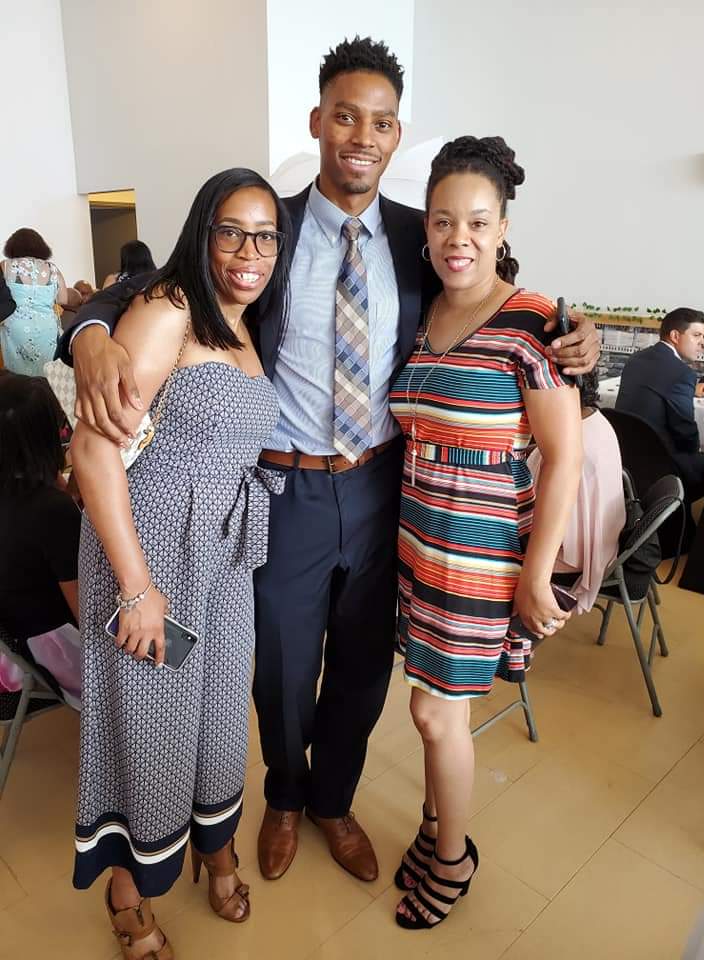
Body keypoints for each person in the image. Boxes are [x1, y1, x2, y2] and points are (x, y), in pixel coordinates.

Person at [60, 37, 600, 885]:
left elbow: (501, 293)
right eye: (345, 115)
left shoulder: (419, 237)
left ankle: (333, 801)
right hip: (284, 487)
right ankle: (282, 796)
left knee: (358, 662)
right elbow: (154, 284)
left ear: (395, 135)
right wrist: (88, 330)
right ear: (318, 121)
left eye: (381, 122)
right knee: (278, 662)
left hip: (387, 485)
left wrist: (578, 338)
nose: (362, 135)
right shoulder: (263, 232)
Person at [70, 168, 291, 959]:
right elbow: (94, 451)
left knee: (223, 721)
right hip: (152, 551)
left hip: (224, 560)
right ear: (202, 232)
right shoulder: (168, 311)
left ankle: (215, 851)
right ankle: (128, 897)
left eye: (266, 235)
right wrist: (136, 590)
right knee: (153, 730)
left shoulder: (245, 323)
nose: (248, 250)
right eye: (230, 230)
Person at [388, 135, 583, 929]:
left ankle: (453, 859)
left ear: (502, 226)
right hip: (419, 542)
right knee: (424, 708)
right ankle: (438, 819)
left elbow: (565, 456)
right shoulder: (424, 307)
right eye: (442, 222)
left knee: (440, 715)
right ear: (426, 228)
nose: (456, 238)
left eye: (476, 222)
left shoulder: (535, 321)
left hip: (484, 554)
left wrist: (536, 578)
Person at [0, 372, 81, 692]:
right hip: (60, 653)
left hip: (21, 638)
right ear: (49, 434)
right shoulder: (52, 512)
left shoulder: (24, 492)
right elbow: (87, 614)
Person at [528, 367, 626, 611]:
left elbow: (549, 528)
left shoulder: (567, 448)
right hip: (601, 544)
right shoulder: (595, 420)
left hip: (573, 558)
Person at [616, 308, 704, 500]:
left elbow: (655, 389)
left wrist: (691, 389)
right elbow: (685, 432)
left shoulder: (635, 360)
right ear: (675, 335)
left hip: (624, 456)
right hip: (661, 464)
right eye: (697, 335)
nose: (703, 343)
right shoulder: (682, 373)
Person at [0, 228, 78, 375]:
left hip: (15, 327)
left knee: (17, 377)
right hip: (46, 328)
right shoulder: (52, 269)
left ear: (12, 247)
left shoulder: (5, 266)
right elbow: (63, 299)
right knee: (45, 374)